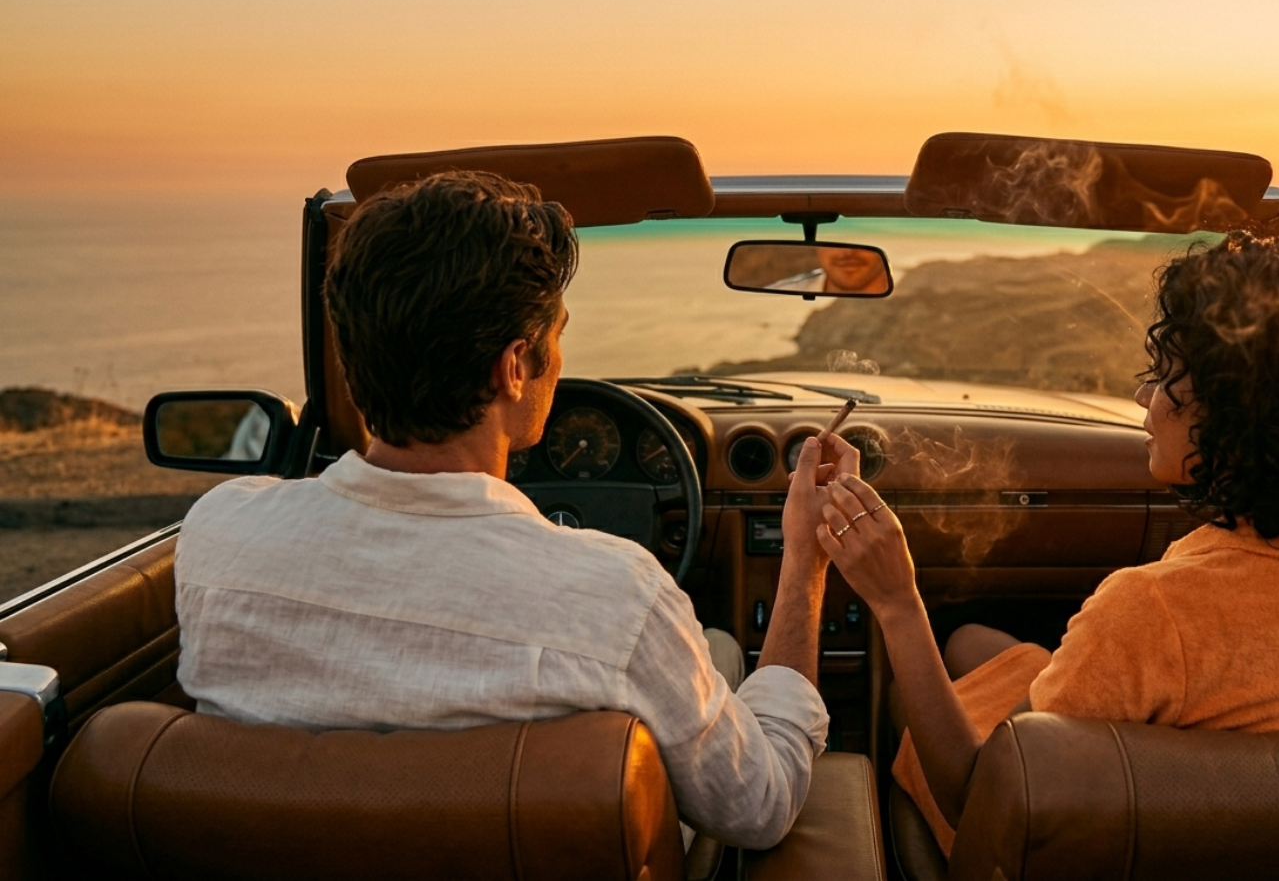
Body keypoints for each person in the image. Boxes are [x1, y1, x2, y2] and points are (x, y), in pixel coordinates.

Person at [174, 171, 856, 850]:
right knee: (721, 654)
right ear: (514, 367)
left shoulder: (218, 535)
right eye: (557, 334)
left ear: (352, 365)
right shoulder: (621, 598)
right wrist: (804, 563)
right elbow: (758, 808)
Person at [815, 233, 1279, 853]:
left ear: (1239, 409)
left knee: (908, 689)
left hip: (1053, 847)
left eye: (1169, 374)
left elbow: (977, 797)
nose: (1143, 395)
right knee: (971, 643)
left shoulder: (1153, 613)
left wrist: (897, 600)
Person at [765, 246, 889, 294]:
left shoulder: (907, 305)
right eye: (836, 240)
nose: (847, 252)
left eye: (862, 241)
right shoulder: (775, 296)